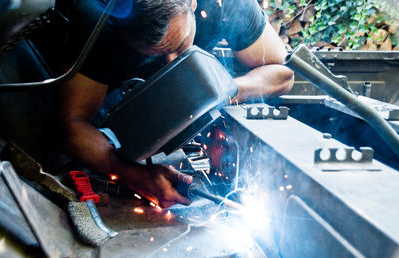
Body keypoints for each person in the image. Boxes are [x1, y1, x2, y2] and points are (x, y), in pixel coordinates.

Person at [56, 0, 294, 208]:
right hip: (120, 109)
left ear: (192, 3)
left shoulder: (226, 4)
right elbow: (72, 125)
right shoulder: (99, 18)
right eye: (157, 55)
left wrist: (221, 88)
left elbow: (283, 74)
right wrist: (133, 175)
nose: (172, 64)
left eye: (180, 46)